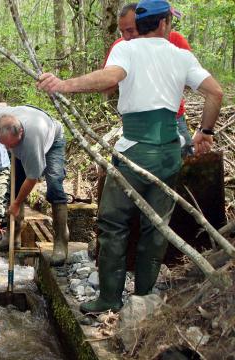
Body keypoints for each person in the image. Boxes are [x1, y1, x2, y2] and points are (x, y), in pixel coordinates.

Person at [37, 0, 223, 313]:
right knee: (156, 225)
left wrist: (63, 85)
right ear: (164, 23)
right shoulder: (182, 56)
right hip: (169, 154)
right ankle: (143, 296)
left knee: (113, 223)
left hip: (135, 151)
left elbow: (109, 78)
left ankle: (110, 297)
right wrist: (205, 132)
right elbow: (215, 93)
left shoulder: (127, 48)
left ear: (142, 23)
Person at [104, 2, 193, 156]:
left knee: (184, 158)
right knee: (140, 166)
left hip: (173, 117)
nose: (126, 36)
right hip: (137, 122)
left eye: (130, 30)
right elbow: (108, 83)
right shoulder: (120, 46)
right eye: (122, 31)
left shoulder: (175, 40)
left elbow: (191, 81)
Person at [0, 103, 70, 266]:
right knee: (14, 188)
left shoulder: (31, 141)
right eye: (4, 144)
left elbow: (32, 178)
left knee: (54, 187)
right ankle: (12, 237)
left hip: (53, 140)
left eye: (11, 144)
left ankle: (61, 241)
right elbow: (1, 105)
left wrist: (17, 203)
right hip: (24, 144)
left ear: (21, 132)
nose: (8, 148)